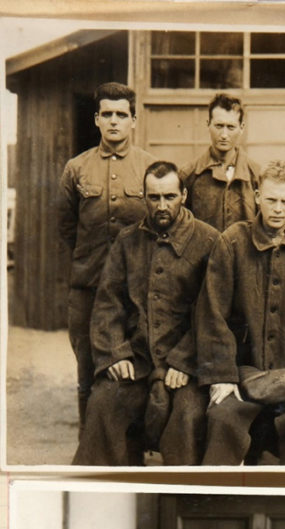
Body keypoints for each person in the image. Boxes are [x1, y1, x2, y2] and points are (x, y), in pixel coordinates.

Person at [72, 162, 218, 467]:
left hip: (186, 367)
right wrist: (116, 353)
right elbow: (107, 304)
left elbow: (213, 314)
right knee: (104, 402)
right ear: (144, 198)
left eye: (169, 197)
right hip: (137, 361)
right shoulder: (128, 241)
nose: (162, 206)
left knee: (188, 416)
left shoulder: (208, 241)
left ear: (184, 196)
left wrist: (185, 360)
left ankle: (179, 500)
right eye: (154, 198)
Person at [196, 160, 285, 466]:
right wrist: (222, 375)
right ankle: (217, 503)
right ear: (257, 195)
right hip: (243, 372)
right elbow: (212, 314)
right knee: (222, 419)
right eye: (271, 199)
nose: (277, 208)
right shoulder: (232, 241)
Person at [58, 83, 156, 433]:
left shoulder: (149, 168)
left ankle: (131, 450)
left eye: (122, 115)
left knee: (134, 370)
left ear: (134, 120)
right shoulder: (76, 169)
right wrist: (90, 265)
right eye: (107, 115)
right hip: (87, 289)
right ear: (96, 119)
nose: (114, 122)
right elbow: (68, 227)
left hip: (135, 292)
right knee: (88, 374)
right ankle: (89, 448)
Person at [180, 93, 262, 231]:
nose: (224, 135)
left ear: (241, 127)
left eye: (231, 127)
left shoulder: (256, 174)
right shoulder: (189, 174)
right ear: (208, 125)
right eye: (219, 126)